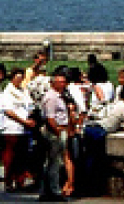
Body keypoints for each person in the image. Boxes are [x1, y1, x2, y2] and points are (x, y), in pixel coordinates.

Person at [38, 69, 72, 202]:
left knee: (53, 163)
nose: (64, 84)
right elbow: (50, 118)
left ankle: (48, 190)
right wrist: (58, 133)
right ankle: (53, 190)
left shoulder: (60, 96)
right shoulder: (51, 97)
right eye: (61, 82)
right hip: (55, 132)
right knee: (54, 163)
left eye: (64, 82)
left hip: (60, 130)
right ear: (54, 83)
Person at [1, 68, 37, 192]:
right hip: (11, 128)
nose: (19, 80)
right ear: (12, 78)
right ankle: (9, 181)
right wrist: (24, 121)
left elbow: (30, 105)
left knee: (22, 157)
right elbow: (9, 112)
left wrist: (31, 118)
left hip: (25, 129)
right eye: (17, 78)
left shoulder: (24, 91)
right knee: (10, 158)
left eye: (21, 78)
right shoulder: (6, 93)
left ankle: (20, 181)